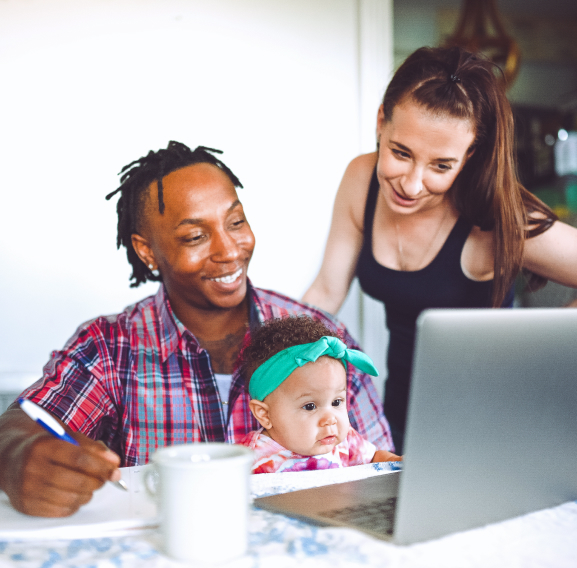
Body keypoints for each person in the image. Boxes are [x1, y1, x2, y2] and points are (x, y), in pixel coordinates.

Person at [0, 141, 393, 518]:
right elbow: (20, 425)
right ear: (147, 251)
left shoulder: (320, 341)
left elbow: (384, 475)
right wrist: (17, 455)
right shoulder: (109, 348)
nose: (229, 250)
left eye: (236, 222)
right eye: (195, 236)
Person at [303, 46, 577, 452]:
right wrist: (274, 356)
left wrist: (543, 350)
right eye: (400, 153)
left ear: (470, 155)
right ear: (381, 122)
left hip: (493, 428)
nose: (411, 185)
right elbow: (325, 293)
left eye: (441, 166)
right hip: (396, 416)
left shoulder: (495, 219)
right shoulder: (361, 177)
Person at [238, 316, 402, 473]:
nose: (330, 419)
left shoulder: (346, 441)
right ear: (264, 414)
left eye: (337, 402)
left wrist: (397, 462)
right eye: (310, 406)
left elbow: (374, 457)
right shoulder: (247, 459)